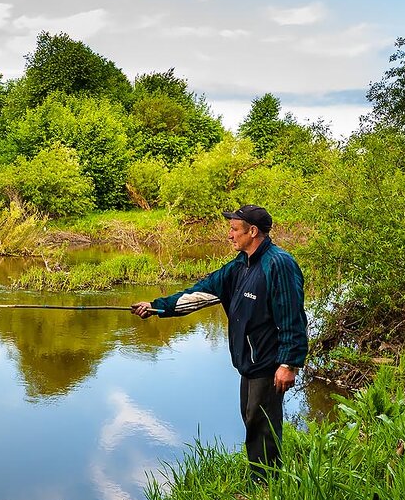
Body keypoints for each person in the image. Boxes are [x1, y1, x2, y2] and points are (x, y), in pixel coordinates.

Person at [131, 205, 306, 481]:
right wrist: (156, 307)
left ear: (253, 231)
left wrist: (289, 363)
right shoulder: (240, 265)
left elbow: (293, 317)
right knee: (251, 419)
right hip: (248, 361)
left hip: (269, 362)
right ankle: (262, 480)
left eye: (234, 229)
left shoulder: (279, 264)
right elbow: (201, 293)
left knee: (261, 423)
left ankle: (266, 486)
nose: (230, 235)